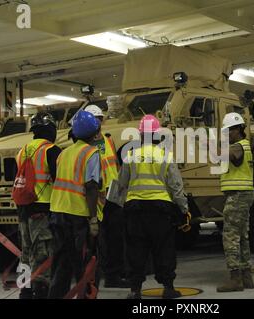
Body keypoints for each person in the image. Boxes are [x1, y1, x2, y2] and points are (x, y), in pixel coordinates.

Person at [118, 114, 190, 299]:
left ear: (141, 135)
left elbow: (122, 183)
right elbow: (176, 186)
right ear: (157, 135)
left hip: (135, 211)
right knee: (164, 249)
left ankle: (135, 291)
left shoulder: (130, 155)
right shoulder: (165, 156)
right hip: (160, 211)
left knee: (135, 250)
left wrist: (121, 205)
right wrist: (183, 209)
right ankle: (168, 288)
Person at [48, 110, 102, 298]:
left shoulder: (64, 153)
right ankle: (86, 295)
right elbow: (92, 186)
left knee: (61, 262)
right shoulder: (91, 153)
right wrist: (93, 218)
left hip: (57, 212)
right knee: (84, 263)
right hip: (78, 215)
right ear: (95, 132)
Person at [16, 112, 61, 299]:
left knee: (26, 251)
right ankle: (41, 291)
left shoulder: (22, 150)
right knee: (42, 252)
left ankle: (25, 290)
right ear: (51, 129)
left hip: (23, 208)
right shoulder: (51, 150)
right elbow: (59, 179)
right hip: (42, 208)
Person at [84, 104, 128, 288]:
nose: (98, 123)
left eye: (99, 119)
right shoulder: (85, 144)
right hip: (97, 199)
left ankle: (113, 276)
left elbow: (115, 165)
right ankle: (94, 276)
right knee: (98, 241)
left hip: (113, 196)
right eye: (95, 120)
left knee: (116, 238)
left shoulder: (108, 140)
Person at [216, 112, 254, 293]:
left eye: (229, 130)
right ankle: (247, 277)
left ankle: (235, 278)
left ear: (239, 129)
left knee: (230, 236)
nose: (227, 134)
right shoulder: (241, 145)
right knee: (242, 236)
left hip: (238, 195)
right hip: (243, 194)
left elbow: (225, 154)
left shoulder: (240, 146)